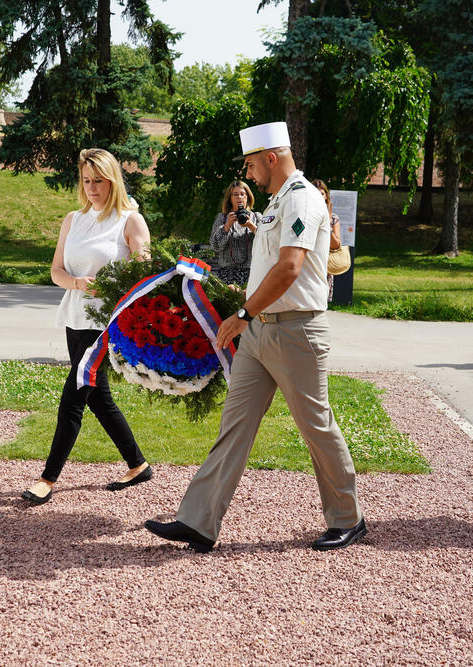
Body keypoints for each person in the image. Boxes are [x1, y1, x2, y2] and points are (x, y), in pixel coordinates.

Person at [144, 121, 365, 553]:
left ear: (270, 157)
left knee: (315, 426)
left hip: (297, 330)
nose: (248, 172)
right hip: (261, 331)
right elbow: (265, 269)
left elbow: (290, 268)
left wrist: (244, 314)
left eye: (250, 162)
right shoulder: (278, 202)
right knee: (235, 426)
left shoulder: (301, 199)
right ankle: (198, 522)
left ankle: (348, 518)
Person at [20, 148, 152, 505]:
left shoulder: (130, 220)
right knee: (98, 396)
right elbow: (56, 271)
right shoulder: (73, 220)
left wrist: (112, 287)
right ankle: (138, 464)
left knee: (75, 394)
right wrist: (78, 283)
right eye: (86, 180)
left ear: (113, 180)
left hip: (107, 323)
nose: (92, 188)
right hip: (76, 318)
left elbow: (145, 276)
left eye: (99, 181)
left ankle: (47, 478)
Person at [209, 180, 260, 286]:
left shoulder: (256, 217)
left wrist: (251, 226)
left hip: (252, 274)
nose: (239, 197)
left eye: (242, 194)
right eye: (235, 194)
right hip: (227, 275)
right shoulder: (222, 218)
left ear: (248, 197)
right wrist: (227, 226)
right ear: (230, 198)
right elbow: (215, 246)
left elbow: (267, 241)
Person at [311, 179, 342, 303]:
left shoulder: (333, 218)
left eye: (322, 194)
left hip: (324, 266)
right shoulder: (304, 216)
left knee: (321, 305)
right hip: (307, 265)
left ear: (326, 197)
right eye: (315, 194)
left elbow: (335, 245)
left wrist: (326, 224)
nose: (319, 197)